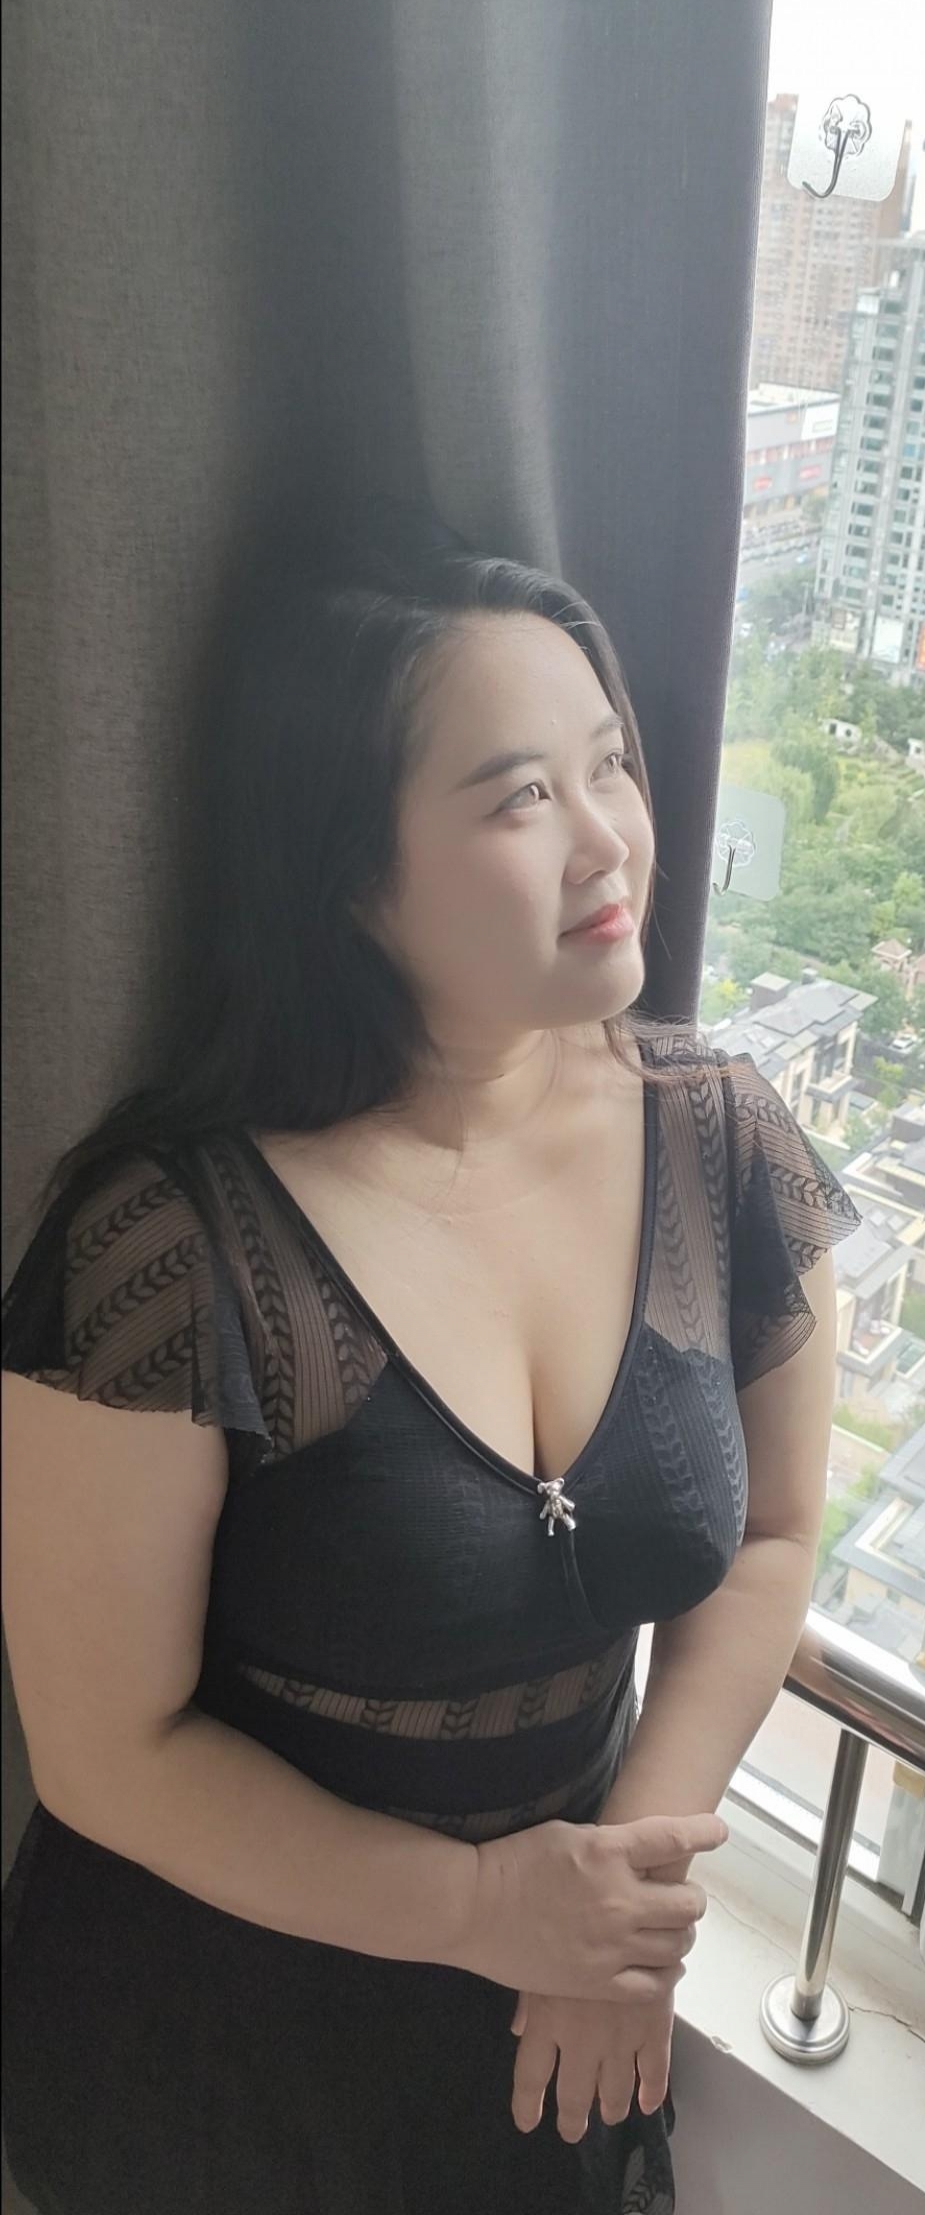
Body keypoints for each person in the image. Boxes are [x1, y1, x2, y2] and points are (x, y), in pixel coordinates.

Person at [1, 500, 859, 2214]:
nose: (610, 841)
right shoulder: (166, 1245)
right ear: (347, 871)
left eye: (610, 766)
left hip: (551, 2015)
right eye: (521, 797)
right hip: (218, 2031)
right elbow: (105, 1753)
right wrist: (485, 1912)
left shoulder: (722, 1137)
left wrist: (613, 1904)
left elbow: (774, 1535)